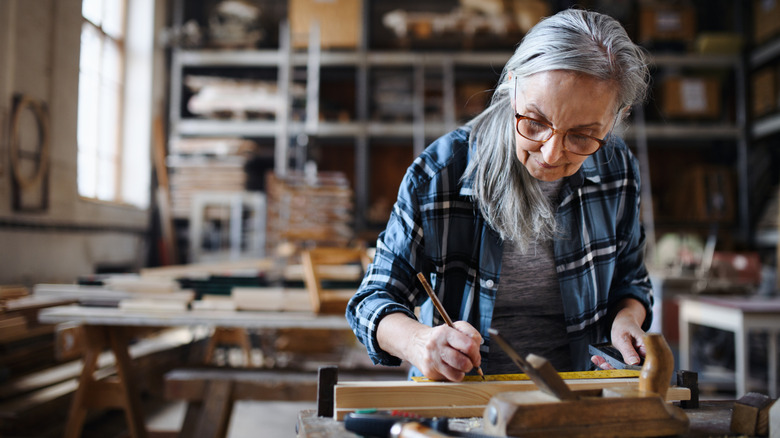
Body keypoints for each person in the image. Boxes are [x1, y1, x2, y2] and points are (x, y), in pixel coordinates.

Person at [346, 8, 653, 381]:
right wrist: (420, 342)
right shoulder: (440, 175)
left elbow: (630, 280)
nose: (551, 153)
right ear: (512, 85)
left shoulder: (617, 170)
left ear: (619, 115)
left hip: (578, 400)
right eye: (536, 122)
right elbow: (371, 301)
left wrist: (626, 320)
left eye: (582, 135)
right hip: (463, 404)